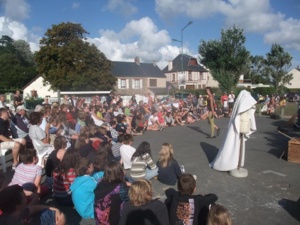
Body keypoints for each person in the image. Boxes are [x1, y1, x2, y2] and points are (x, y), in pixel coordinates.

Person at [0, 184, 66, 225]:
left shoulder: (16, 212)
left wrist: (55, 210)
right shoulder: (13, 222)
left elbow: (35, 208)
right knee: (50, 216)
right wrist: (62, 222)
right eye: (24, 197)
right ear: (17, 205)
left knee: (49, 213)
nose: (26, 197)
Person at [94, 161, 129, 225]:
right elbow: (128, 198)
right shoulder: (120, 187)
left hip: (99, 219)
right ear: (119, 172)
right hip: (113, 221)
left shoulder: (100, 181)